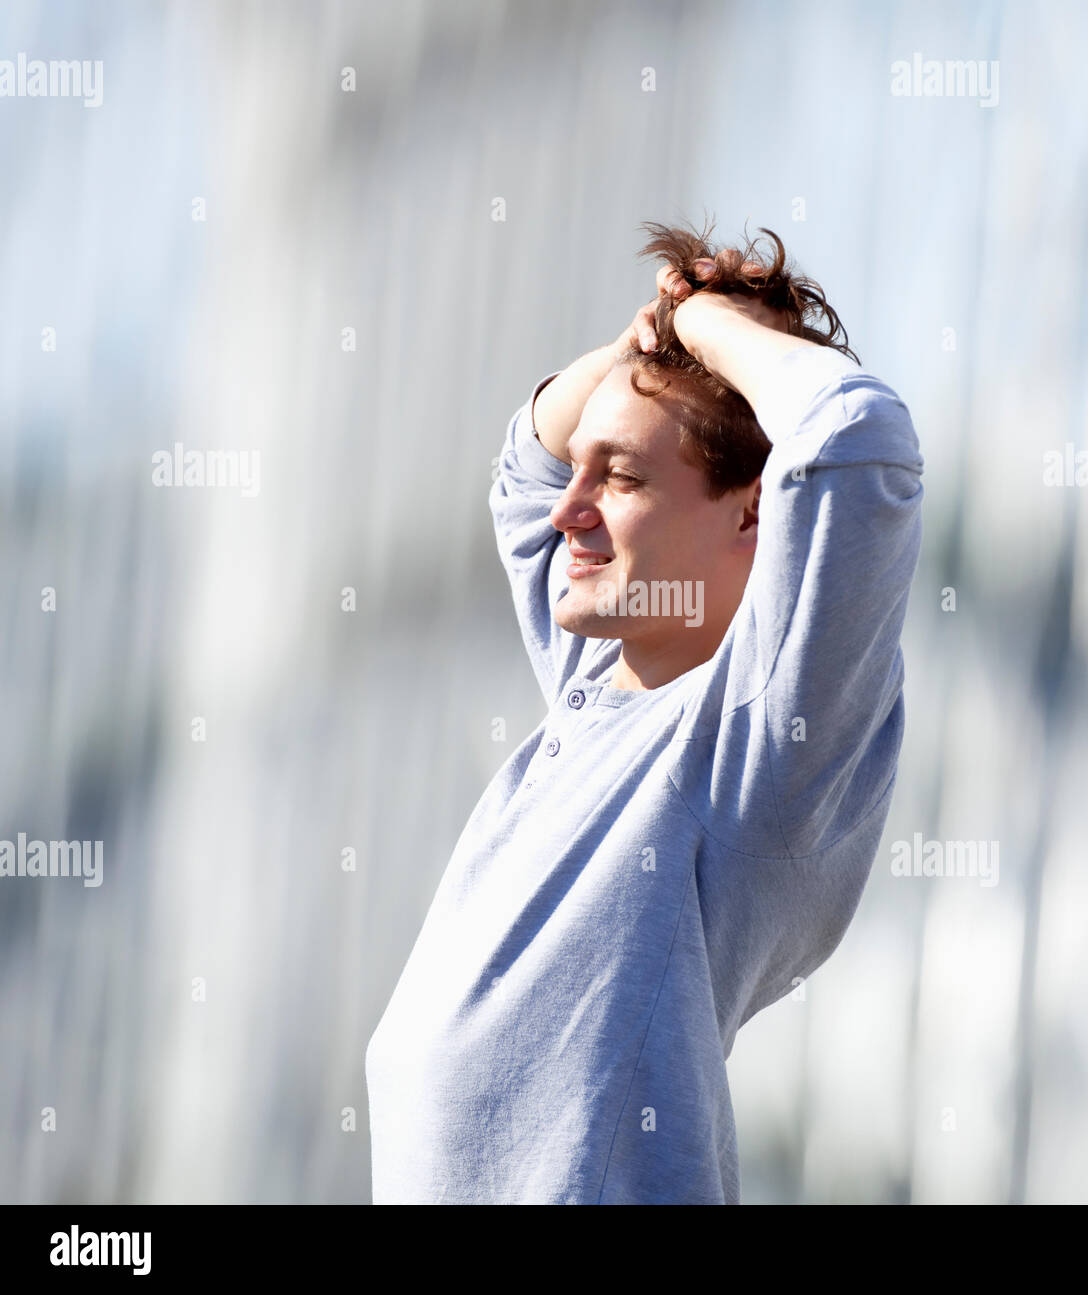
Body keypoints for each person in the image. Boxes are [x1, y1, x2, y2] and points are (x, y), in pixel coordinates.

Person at [365, 220, 925, 1204]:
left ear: (753, 513)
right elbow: (524, 465)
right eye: (585, 471)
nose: (567, 510)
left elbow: (855, 436)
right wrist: (650, 341)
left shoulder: (753, 744)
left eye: (619, 478)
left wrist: (702, 321)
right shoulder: (602, 676)